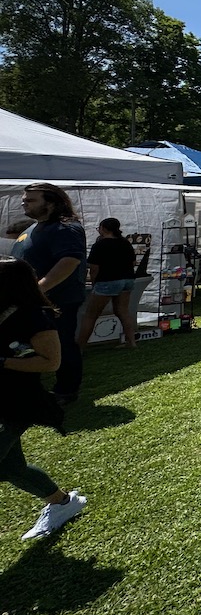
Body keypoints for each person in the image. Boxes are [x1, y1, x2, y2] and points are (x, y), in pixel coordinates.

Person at [0, 259, 87, 540]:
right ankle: (62, 502)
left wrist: (3, 362)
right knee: (13, 468)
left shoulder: (34, 317)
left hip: (17, 402)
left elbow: (51, 363)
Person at [11, 183, 87, 405]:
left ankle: (66, 390)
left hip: (56, 302)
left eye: (31, 199)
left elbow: (70, 261)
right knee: (25, 347)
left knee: (61, 345)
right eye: (24, 199)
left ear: (52, 202)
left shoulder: (66, 228)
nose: (24, 202)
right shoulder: (32, 229)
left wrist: (39, 289)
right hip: (29, 302)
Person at [76, 217, 138, 350]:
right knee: (123, 311)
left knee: (91, 315)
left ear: (103, 229)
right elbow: (133, 262)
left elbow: (94, 268)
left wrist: (94, 284)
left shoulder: (99, 245)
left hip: (107, 281)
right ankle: (131, 342)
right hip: (127, 280)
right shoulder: (125, 243)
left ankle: (80, 348)